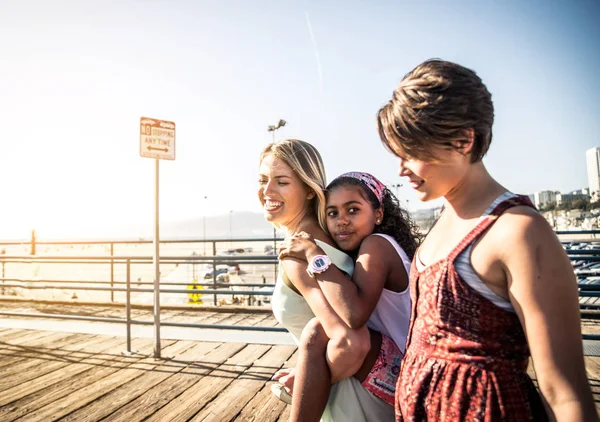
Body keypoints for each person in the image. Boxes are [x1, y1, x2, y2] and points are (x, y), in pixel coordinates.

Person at [376, 59, 596, 421]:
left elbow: (565, 393)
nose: (401, 168)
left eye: (412, 151)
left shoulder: (517, 231)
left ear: (464, 140)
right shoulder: (443, 223)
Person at [258, 140, 404, 421]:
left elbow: (351, 342)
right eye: (263, 180)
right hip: (364, 387)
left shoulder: (300, 251)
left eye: (282, 181)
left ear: (310, 191)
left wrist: (306, 382)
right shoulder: (335, 240)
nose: (267, 191)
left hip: (351, 401)